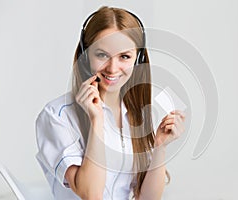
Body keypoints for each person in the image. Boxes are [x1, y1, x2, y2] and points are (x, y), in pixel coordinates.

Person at [35, 6, 185, 200]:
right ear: (85, 55)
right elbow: (91, 194)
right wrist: (96, 120)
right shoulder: (56, 116)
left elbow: (147, 198)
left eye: (124, 56)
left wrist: (159, 147)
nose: (113, 68)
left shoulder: (136, 113)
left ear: (137, 59)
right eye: (102, 55)